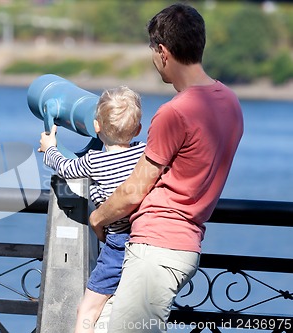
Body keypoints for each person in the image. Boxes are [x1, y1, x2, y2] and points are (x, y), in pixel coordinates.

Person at [89, 3, 244, 333]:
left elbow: (134, 190)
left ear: (162, 51)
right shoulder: (230, 103)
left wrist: (97, 217)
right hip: (186, 243)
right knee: (99, 326)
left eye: (152, 50)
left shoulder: (175, 113)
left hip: (156, 249)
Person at [38, 85, 146, 333]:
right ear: (138, 129)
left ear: (96, 126)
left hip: (116, 244)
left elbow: (65, 168)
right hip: (142, 237)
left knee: (87, 309)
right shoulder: (143, 153)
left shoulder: (94, 161)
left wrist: (49, 147)